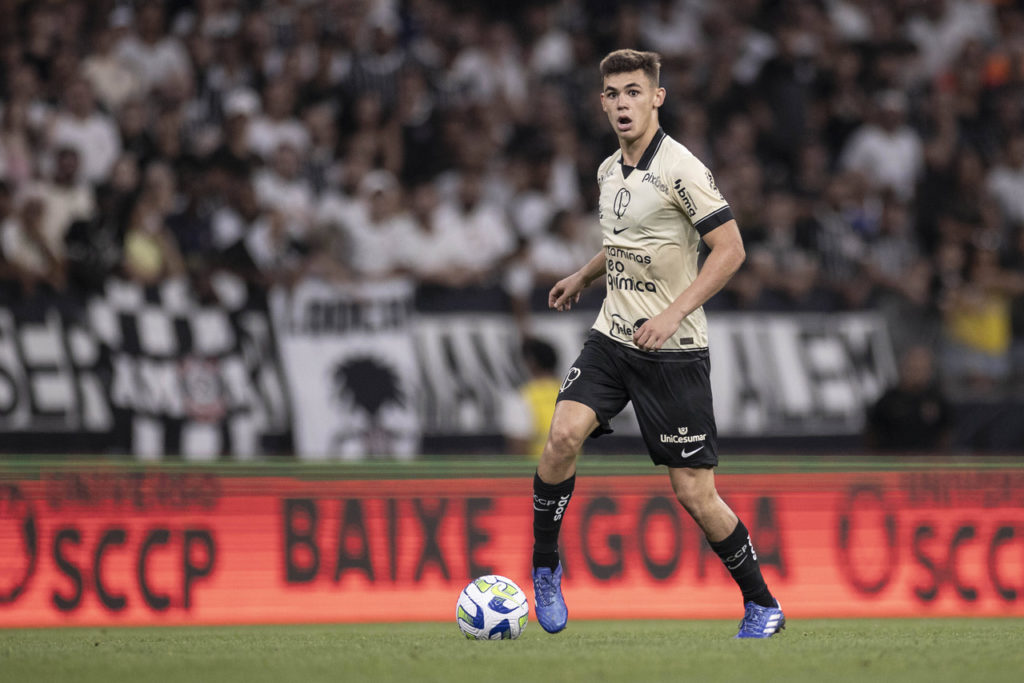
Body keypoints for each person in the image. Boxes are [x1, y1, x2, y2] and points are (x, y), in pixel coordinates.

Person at [530, 49, 784, 639]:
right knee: (562, 434)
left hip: (672, 351)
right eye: (614, 94)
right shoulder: (606, 170)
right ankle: (545, 567)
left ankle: (762, 602)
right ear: (602, 103)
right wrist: (583, 275)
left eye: (634, 92)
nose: (623, 103)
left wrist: (673, 313)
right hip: (613, 336)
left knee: (694, 494)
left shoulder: (682, 169)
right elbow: (625, 241)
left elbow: (732, 250)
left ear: (657, 98)